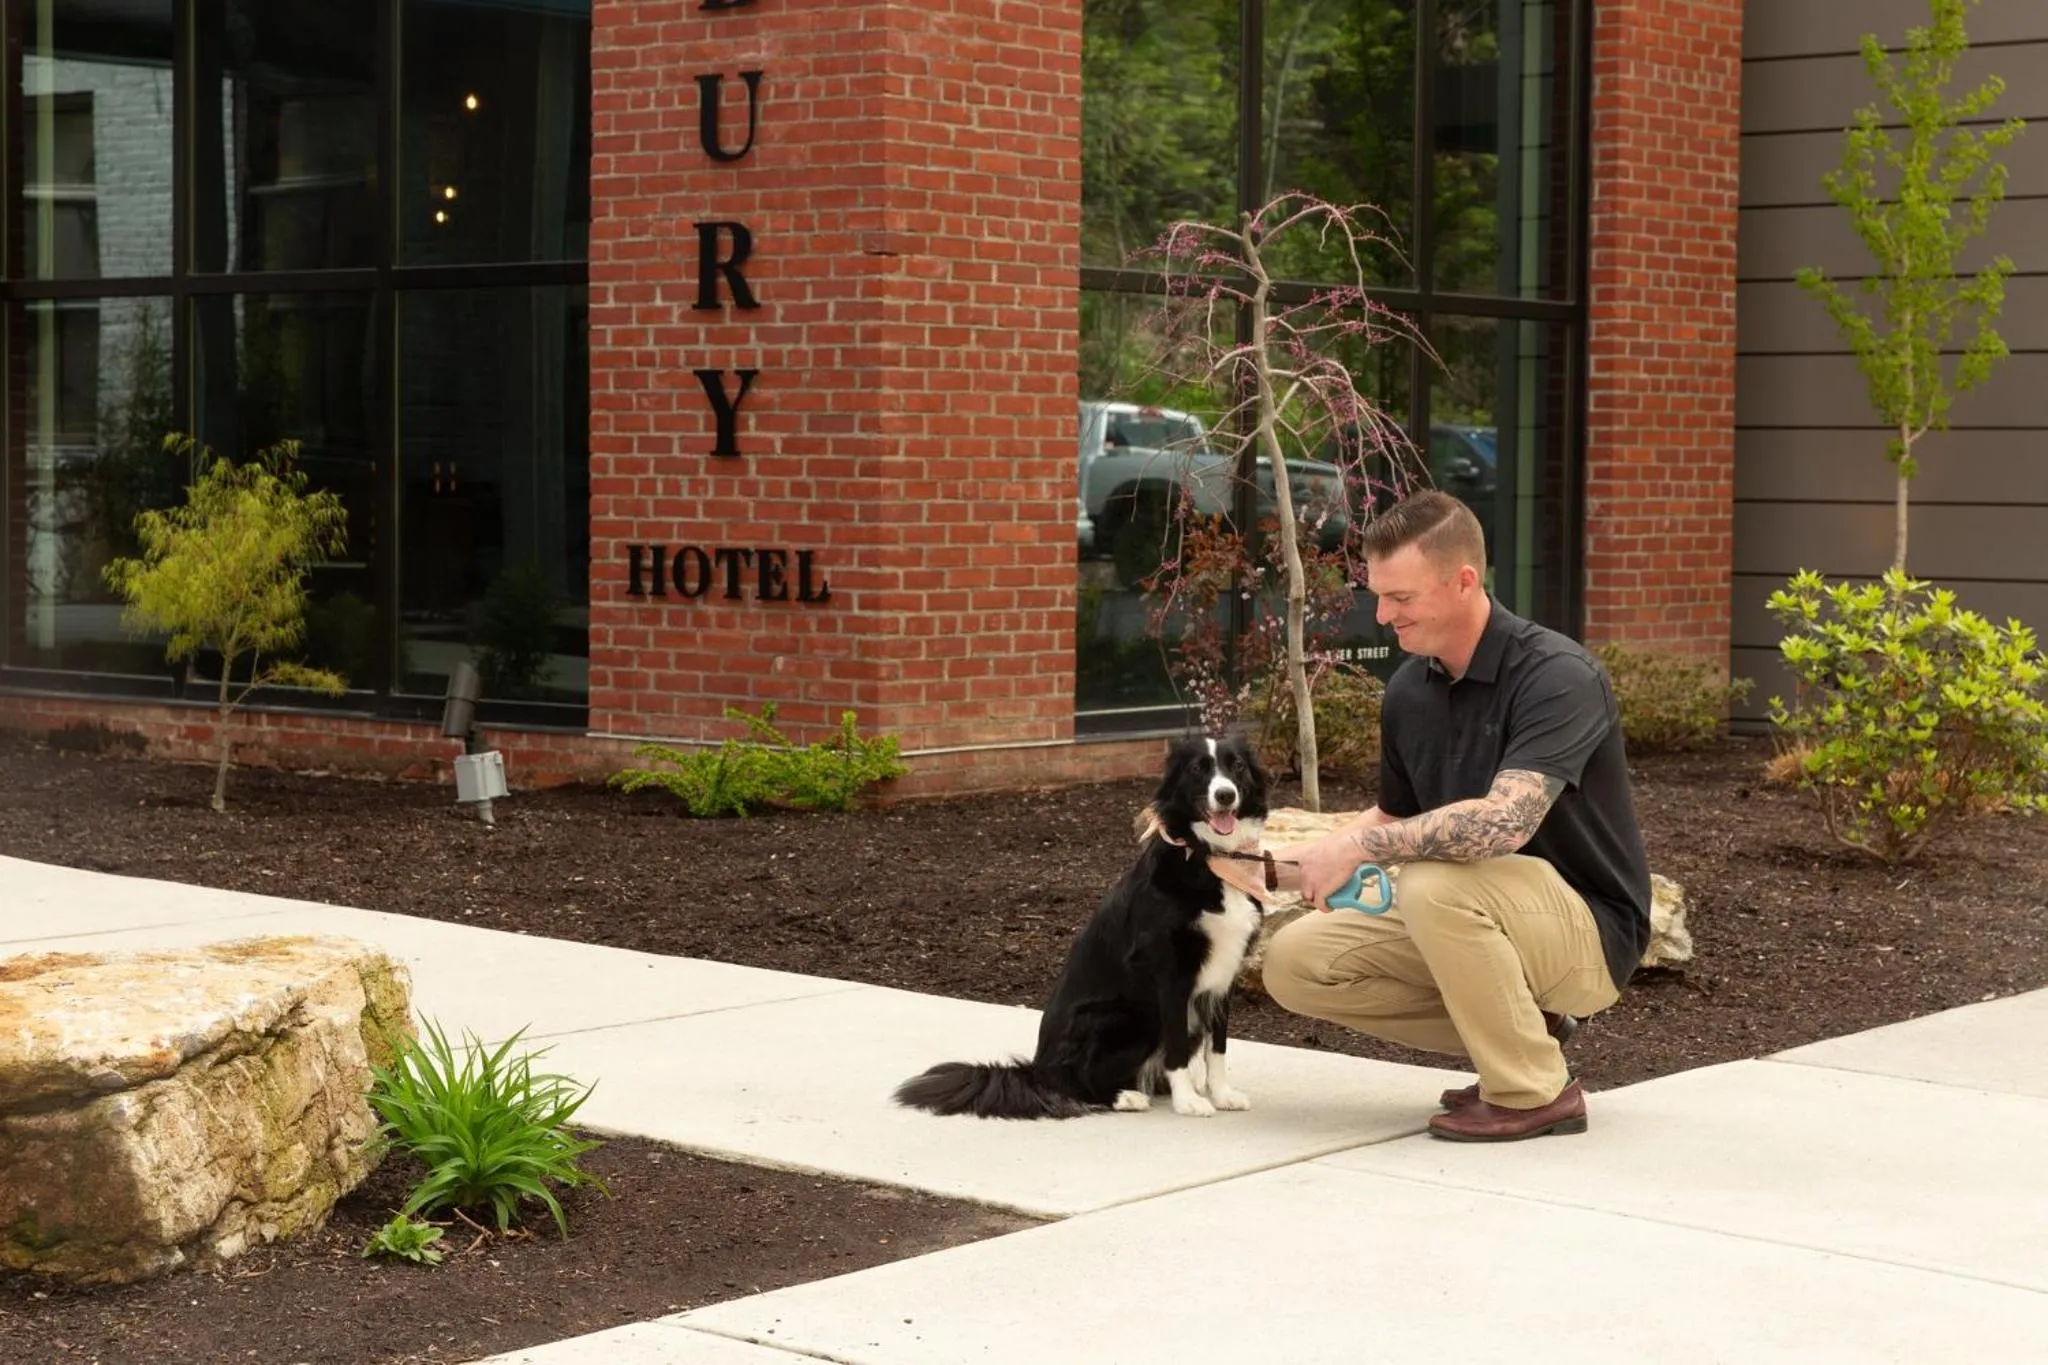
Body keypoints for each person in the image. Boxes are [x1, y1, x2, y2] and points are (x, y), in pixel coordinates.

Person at [1264, 489, 1651, 1142]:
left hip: (1587, 932)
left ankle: (1532, 1090)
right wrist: (1269, 867)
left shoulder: (1557, 676)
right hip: (1469, 916)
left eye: (1402, 597)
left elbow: (1505, 823)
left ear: (1464, 581)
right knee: (1296, 960)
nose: (1383, 615)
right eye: (1378, 595)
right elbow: (1391, 815)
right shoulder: (1409, 690)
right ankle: (1524, 1032)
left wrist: (1361, 850)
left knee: (1433, 880)